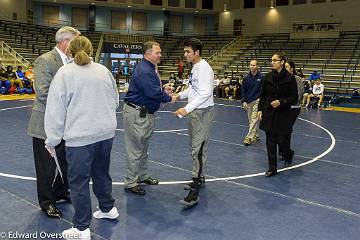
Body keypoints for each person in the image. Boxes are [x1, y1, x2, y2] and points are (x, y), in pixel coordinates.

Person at [44, 36, 119, 240]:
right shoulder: (103, 71)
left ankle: (81, 228)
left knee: (78, 181)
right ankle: (107, 208)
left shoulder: (65, 73)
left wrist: (51, 140)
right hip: (105, 134)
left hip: (80, 138)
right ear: (91, 49)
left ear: (69, 51)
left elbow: (55, 110)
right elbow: (115, 99)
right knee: (102, 173)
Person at [27, 26, 80, 218]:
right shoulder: (45, 60)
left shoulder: (73, 62)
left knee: (65, 163)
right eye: (76, 42)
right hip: (45, 124)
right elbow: (43, 93)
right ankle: (47, 202)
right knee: (46, 167)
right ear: (66, 42)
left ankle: (60, 191)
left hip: (66, 124)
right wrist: (72, 103)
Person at [123, 41, 173, 195]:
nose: (160, 55)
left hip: (144, 113)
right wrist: (169, 97)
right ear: (148, 54)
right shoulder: (145, 70)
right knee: (135, 149)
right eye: (157, 53)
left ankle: (142, 176)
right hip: (138, 114)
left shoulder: (149, 68)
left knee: (143, 149)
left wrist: (162, 89)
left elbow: (150, 89)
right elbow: (153, 93)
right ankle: (131, 182)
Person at [174, 38, 214, 207]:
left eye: (188, 51)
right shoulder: (195, 67)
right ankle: (200, 177)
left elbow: (205, 93)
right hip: (196, 112)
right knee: (196, 147)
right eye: (185, 51)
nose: (185, 54)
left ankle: (195, 191)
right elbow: (193, 88)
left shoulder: (204, 68)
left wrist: (186, 108)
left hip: (202, 112)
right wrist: (179, 96)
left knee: (197, 149)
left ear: (197, 52)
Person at [257, 53, 298, 177]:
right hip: (269, 113)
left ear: (282, 62)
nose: (272, 62)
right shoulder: (267, 77)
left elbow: (294, 98)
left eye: (275, 60)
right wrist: (260, 109)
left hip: (283, 114)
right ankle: (272, 168)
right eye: (271, 60)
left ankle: (288, 153)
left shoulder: (290, 79)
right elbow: (263, 95)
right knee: (270, 142)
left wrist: (281, 101)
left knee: (282, 142)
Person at [283, 59, 304, 166]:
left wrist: (286, 101)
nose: (285, 69)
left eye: (287, 67)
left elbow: (299, 95)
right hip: (283, 107)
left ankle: (286, 153)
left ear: (292, 68)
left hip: (294, 108)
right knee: (281, 130)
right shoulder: (282, 79)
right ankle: (284, 151)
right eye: (284, 67)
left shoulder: (297, 79)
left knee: (286, 129)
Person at [241, 60, 263, 146]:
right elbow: (243, 90)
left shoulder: (261, 77)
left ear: (257, 66)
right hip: (248, 101)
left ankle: (248, 137)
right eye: (251, 65)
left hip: (257, 100)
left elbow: (263, 90)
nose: (252, 67)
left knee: (254, 118)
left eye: (254, 65)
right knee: (251, 120)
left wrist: (261, 100)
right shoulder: (246, 78)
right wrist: (244, 101)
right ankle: (256, 134)